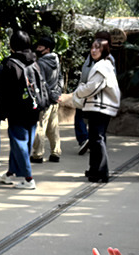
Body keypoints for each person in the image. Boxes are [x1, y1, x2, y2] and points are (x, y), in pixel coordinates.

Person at [71, 36, 120, 183]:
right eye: (92, 47)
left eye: (98, 48)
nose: (94, 50)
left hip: (100, 107)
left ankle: (102, 172)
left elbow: (93, 87)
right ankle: (94, 170)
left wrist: (78, 92)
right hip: (99, 106)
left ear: (105, 50)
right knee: (95, 139)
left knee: (97, 139)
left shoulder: (102, 66)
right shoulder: (102, 64)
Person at [0, 29, 41, 190]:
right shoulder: (34, 62)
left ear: (12, 45)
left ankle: (28, 178)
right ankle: (10, 173)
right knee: (24, 143)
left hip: (16, 111)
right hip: (33, 108)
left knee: (19, 143)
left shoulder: (10, 64)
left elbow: (4, 92)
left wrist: (2, 112)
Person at [72, 30, 115, 156]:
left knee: (97, 127)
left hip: (98, 96)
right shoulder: (92, 56)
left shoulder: (108, 60)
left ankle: (95, 147)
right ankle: (86, 141)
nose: (95, 48)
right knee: (80, 116)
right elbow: (85, 73)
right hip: (87, 91)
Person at [31, 35, 62, 163]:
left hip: (45, 100)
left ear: (47, 49)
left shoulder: (40, 63)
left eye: (40, 47)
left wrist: (49, 96)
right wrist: (57, 93)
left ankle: (38, 154)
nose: (37, 49)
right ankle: (56, 152)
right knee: (53, 127)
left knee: (40, 127)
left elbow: (42, 83)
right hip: (55, 100)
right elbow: (60, 77)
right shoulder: (56, 60)